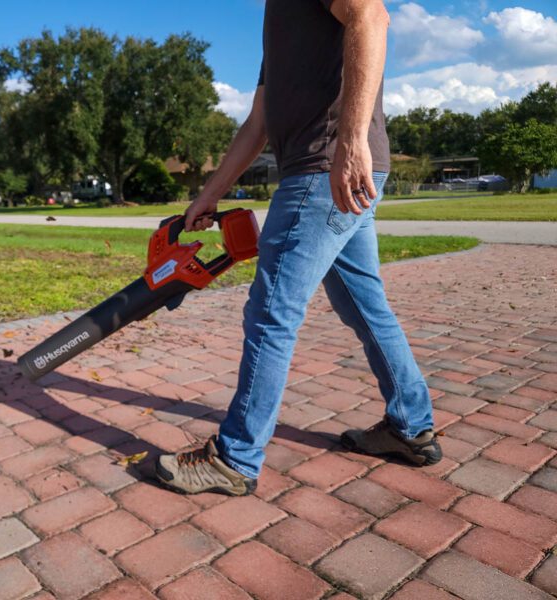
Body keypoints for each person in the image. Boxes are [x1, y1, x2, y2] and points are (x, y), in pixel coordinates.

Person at [156, 0, 441, 496]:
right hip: (328, 170)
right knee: (364, 305)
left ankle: (235, 459)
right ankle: (410, 427)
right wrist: (209, 194)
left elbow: (371, 16)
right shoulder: (280, 14)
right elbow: (259, 121)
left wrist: (350, 141)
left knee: (271, 312)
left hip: (323, 169)